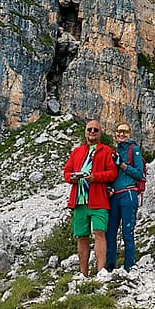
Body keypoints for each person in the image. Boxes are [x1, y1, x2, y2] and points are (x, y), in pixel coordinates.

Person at [63, 119, 118, 278]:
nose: (92, 132)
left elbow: (112, 173)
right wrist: (71, 178)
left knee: (99, 232)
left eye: (95, 130)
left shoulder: (107, 151)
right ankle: (83, 273)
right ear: (85, 132)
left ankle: (101, 271)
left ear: (100, 133)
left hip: (99, 198)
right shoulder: (77, 151)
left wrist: (95, 177)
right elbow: (66, 171)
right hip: (79, 200)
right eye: (89, 129)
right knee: (81, 236)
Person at [106, 121, 145, 272]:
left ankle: (129, 266)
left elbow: (139, 174)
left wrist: (122, 165)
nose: (121, 134)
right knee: (111, 231)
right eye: (119, 131)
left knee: (127, 231)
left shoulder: (133, 149)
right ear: (115, 134)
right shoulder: (113, 151)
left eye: (125, 132)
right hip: (115, 195)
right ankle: (110, 266)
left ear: (129, 134)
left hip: (129, 193)